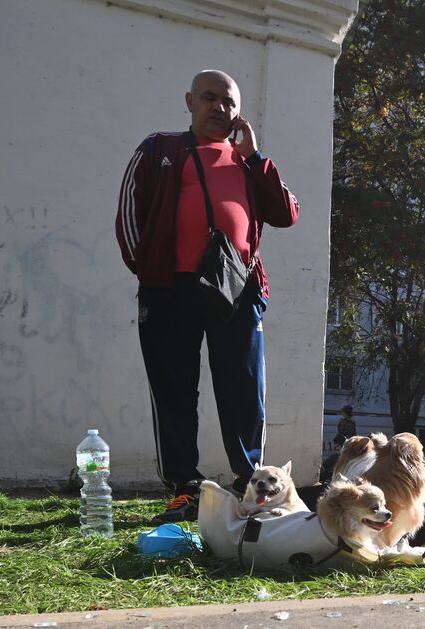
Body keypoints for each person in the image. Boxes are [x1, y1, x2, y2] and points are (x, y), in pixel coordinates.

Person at [117, 69, 299, 524]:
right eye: (210, 98)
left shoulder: (245, 159)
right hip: (169, 290)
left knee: (243, 390)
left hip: (237, 291)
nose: (220, 107)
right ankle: (184, 488)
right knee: (175, 389)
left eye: (229, 102)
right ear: (189, 101)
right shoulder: (159, 148)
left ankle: (249, 482)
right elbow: (129, 214)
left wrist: (255, 156)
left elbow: (286, 212)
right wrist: (150, 272)